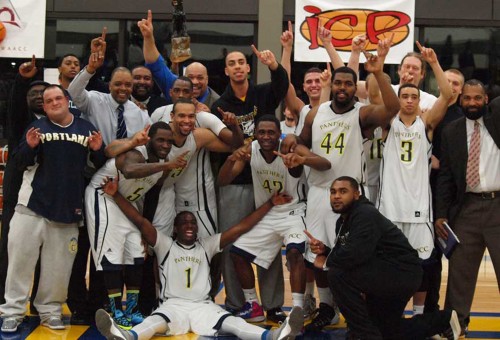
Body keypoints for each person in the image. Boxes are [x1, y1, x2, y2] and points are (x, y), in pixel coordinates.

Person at [282, 37, 400, 331]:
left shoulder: (361, 113)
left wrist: (378, 72)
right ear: (331, 85)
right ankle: (327, 308)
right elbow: (303, 146)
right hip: (320, 192)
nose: (343, 88)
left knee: (353, 258)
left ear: (353, 87)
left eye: (349, 84)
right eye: (339, 83)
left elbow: (392, 108)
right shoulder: (314, 112)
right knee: (319, 255)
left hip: (351, 197)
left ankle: (357, 311)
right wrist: (294, 147)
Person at [94, 175, 303, 340]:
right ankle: (126, 336)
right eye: (184, 223)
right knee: (154, 323)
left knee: (236, 325)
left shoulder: (207, 244)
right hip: (173, 305)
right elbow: (140, 221)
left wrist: (269, 204)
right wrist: (116, 195)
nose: (190, 226)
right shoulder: (165, 244)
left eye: (193, 223)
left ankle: (274, 335)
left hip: (203, 306)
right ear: (175, 229)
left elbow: (242, 227)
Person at [0, 85, 105, 333]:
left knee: (58, 268)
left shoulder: (85, 128)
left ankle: (50, 311)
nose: (54, 102)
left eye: (58, 97)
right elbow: (18, 163)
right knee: (19, 264)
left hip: (68, 210)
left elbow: (98, 166)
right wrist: (29, 146)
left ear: (67, 101)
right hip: (31, 206)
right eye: (49, 100)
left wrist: (100, 150)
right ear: (45, 107)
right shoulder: (37, 128)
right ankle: (12, 312)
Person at [307, 176, 460, 340]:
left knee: (337, 274)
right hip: (386, 274)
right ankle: (443, 320)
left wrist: (328, 261)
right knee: (387, 331)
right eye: (333, 192)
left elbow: (356, 254)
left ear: (357, 194)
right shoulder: (344, 221)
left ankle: (364, 335)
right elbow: (348, 251)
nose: (336, 196)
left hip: (400, 273)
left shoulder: (365, 214)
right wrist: (325, 250)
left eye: (343, 191)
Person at [218, 114, 330, 321]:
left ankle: (296, 309)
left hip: (293, 213)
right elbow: (224, 180)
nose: (266, 136)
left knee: (295, 253)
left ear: (279, 134)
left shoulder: (291, 148)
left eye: (271, 132)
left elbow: (325, 164)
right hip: (267, 213)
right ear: (255, 135)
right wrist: (231, 158)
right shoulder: (250, 151)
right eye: (261, 132)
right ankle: (253, 304)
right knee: (236, 253)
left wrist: (301, 160)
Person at [210, 44, 289, 323]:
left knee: (269, 243)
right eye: (232, 63)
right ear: (226, 71)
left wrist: (274, 65)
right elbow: (221, 145)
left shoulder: (261, 93)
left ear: (247, 67)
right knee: (231, 244)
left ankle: (273, 303)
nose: (238, 66)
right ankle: (237, 301)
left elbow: (282, 86)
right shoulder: (219, 106)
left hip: (267, 181)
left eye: (242, 62)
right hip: (237, 183)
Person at [85, 122, 188, 330]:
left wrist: (144, 227)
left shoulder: (163, 164)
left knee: (137, 255)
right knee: (112, 257)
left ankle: (131, 309)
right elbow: (130, 171)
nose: (166, 145)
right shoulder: (135, 153)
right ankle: (115, 310)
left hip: (125, 201)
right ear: (150, 139)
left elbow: (151, 196)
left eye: (169, 141)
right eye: (161, 139)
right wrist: (166, 166)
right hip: (104, 195)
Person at [377, 42, 452, 316]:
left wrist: (433, 63)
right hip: (390, 210)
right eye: (404, 96)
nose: (408, 100)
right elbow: (382, 91)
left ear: (419, 101)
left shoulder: (427, 123)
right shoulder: (388, 123)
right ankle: (389, 314)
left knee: (423, 265)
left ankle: (419, 315)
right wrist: (381, 62)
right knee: (388, 265)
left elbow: (447, 93)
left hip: (420, 210)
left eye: (413, 97)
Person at [435, 79, 500, 336]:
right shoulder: (451, 130)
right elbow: (446, 177)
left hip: (498, 205)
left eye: (477, 98)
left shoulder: (496, 121)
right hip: (467, 208)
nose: (472, 102)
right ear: (460, 99)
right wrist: (441, 214)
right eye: (467, 98)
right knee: (459, 274)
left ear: (486, 100)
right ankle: (455, 326)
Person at [0, 67, 49, 306]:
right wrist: (22, 80)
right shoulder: (21, 122)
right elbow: (16, 106)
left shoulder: (58, 122)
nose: (39, 96)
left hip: (44, 197)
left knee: (44, 254)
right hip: (17, 196)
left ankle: (39, 302)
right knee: (10, 249)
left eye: (43, 92)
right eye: (33, 94)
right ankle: (3, 298)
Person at [426, 69, 465, 315]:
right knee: (426, 256)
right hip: (421, 190)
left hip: (449, 196)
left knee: (442, 255)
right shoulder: (428, 110)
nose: (450, 86)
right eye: (446, 81)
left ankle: (433, 310)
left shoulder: (462, 118)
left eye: (455, 84)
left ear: (460, 90)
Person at [68, 31, 151, 145]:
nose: (123, 88)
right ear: (110, 85)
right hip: (96, 160)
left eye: (127, 85)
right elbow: (73, 93)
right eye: (118, 84)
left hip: (128, 162)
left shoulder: (140, 114)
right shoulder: (94, 100)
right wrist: (90, 69)